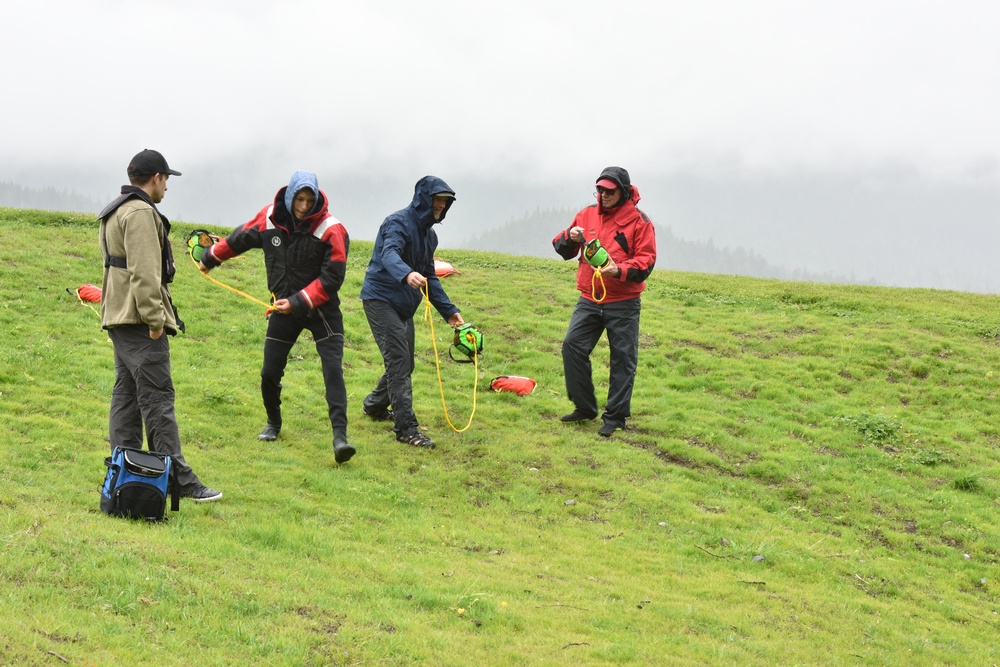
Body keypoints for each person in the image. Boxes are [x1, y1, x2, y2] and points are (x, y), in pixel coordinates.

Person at [198, 171, 355, 463]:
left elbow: (332, 279)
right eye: (299, 199)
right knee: (269, 373)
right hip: (284, 307)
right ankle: (273, 423)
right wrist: (210, 258)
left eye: (310, 200)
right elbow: (240, 237)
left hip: (322, 311)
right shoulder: (269, 218)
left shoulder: (332, 230)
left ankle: (340, 438)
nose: (304, 206)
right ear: (289, 195)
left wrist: (296, 302)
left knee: (332, 371)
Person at [98, 149, 222, 502]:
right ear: (155, 178)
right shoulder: (139, 213)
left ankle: (122, 475)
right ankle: (179, 480)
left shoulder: (116, 208)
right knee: (157, 400)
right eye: (166, 180)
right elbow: (144, 272)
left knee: (126, 396)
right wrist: (155, 320)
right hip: (139, 320)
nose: (166, 188)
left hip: (118, 317)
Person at [360, 175, 464, 448]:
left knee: (406, 364)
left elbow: (429, 275)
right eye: (437, 200)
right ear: (424, 199)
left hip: (404, 306)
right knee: (398, 363)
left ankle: (374, 405)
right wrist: (406, 274)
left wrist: (449, 312)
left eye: (445, 202)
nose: (441, 205)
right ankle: (406, 429)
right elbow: (389, 254)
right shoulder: (396, 222)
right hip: (380, 299)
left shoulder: (430, 236)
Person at [552, 166, 657, 437]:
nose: (603, 195)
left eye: (609, 191)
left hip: (623, 302)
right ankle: (585, 407)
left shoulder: (639, 221)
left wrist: (619, 270)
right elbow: (561, 248)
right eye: (599, 189)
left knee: (622, 358)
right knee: (572, 346)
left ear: (622, 192)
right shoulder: (586, 215)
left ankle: (615, 417)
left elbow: (646, 262)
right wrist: (570, 237)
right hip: (589, 298)